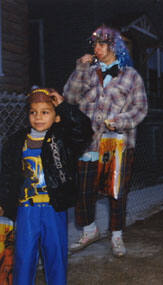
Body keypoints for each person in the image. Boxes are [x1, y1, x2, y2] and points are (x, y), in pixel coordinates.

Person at [64, 25, 148, 257]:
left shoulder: (131, 76)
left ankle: (117, 235)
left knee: (117, 192)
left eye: (102, 44)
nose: (97, 49)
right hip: (88, 144)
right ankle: (90, 230)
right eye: (95, 44)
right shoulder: (87, 71)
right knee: (83, 191)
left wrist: (119, 120)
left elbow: (140, 109)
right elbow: (70, 96)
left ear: (115, 47)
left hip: (118, 145)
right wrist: (80, 67)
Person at [0, 88, 93, 284]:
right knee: (24, 258)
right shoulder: (17, 142)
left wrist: (64, 106)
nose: (38, 117)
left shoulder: (63, 140)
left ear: (56, 117)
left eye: (45, 112)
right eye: (33, 112)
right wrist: (3, 201)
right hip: (26, 210)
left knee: (56, 256)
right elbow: (6, 174)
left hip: (54, 208)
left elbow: (84, 129)